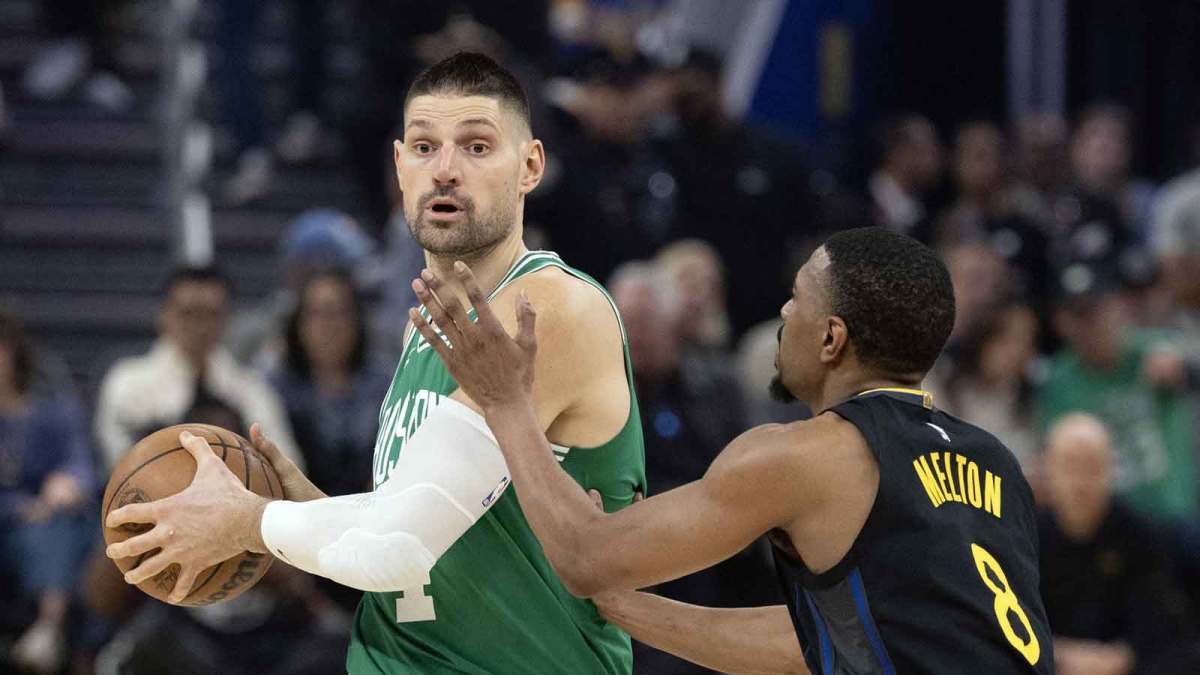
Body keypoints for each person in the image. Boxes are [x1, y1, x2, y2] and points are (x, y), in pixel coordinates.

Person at [104, 52, 646, 674]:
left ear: (530, 167)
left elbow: (402, 546)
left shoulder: (546, 309)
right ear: (397, 166)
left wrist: (251, 521)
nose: (445, 170)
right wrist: (303, 509)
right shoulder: (428, 329)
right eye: (424, 147)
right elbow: (411, 542)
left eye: (476, 147)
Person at [414, 226, 1053, 674]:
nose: (782, 309)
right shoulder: (995, 461)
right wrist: (626, 607)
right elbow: (819, 645)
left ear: (832, 338)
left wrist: (506, 402)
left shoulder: (807, 457)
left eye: (798, 297)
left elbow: (584, 556)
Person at [94, 264, 300, 469]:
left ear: (227, 319)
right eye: (188, 313)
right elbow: (118, 462)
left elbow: (288, 465)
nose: (200, 326)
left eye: (212, 314)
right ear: (164, 315)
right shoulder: (127, 382)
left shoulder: (251, 389)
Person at [1039, 414, 1200, 675]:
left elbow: (1160, 623)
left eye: (1091, 466)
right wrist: (1062, 656)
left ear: (1111, 469)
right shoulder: (1026, 538)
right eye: (1069, 465)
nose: (1080, 481)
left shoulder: (1140, 535)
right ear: (1048, 469)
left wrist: (1120, 658)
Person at [0, 311, 96, 673]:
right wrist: (21, 507)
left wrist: (67, 484)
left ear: (13, 355)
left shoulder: (55, 413)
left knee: (70, 519)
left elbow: (80, 468)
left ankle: (50, 628)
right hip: (9, 528)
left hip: (49, 528)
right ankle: (58, 632)